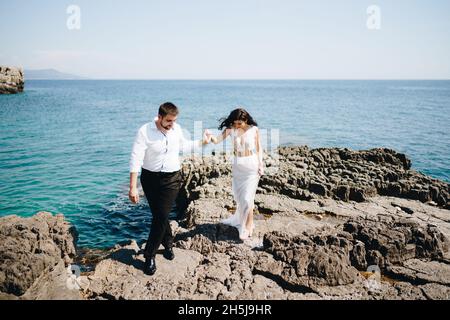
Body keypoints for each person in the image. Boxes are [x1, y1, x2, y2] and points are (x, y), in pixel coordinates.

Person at [128, 102, 210, 275]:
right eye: (169, 121)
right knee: (159, 215)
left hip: (172, 178)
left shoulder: (176, 129)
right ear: (159, 117)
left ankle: (149, 255)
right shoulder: (145, 131)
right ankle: (168, 243)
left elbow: (184, 146)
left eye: (174, 121)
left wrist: (203, 141)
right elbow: (136, 157)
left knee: (161, 215)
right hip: (150, 179)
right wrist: (133, 187)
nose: (172, 124)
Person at [209, 108, 264, 240]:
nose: (237, 125)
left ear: (246, 121)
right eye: (235, 123)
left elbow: (259, 148)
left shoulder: (254, 130)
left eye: (240, 123)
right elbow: (217, 141)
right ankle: (249, 223)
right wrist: (209, 136)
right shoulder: (230, 129)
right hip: (238, 166)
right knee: (242, 198)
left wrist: (261, 164)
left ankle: (246, 227)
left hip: (251, 165)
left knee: (247, 198)